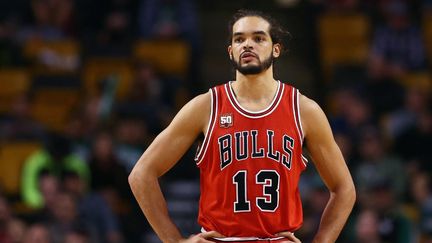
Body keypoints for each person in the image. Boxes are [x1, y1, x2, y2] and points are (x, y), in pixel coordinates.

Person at [129, 9, 356, 243]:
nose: (248, 45)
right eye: (239, 39)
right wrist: (176, 241)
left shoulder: (304, 110)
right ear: (231, 51)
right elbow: (141, 174)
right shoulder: (206, 106)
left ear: (275, 49)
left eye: (258, 38)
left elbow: (344, 188)